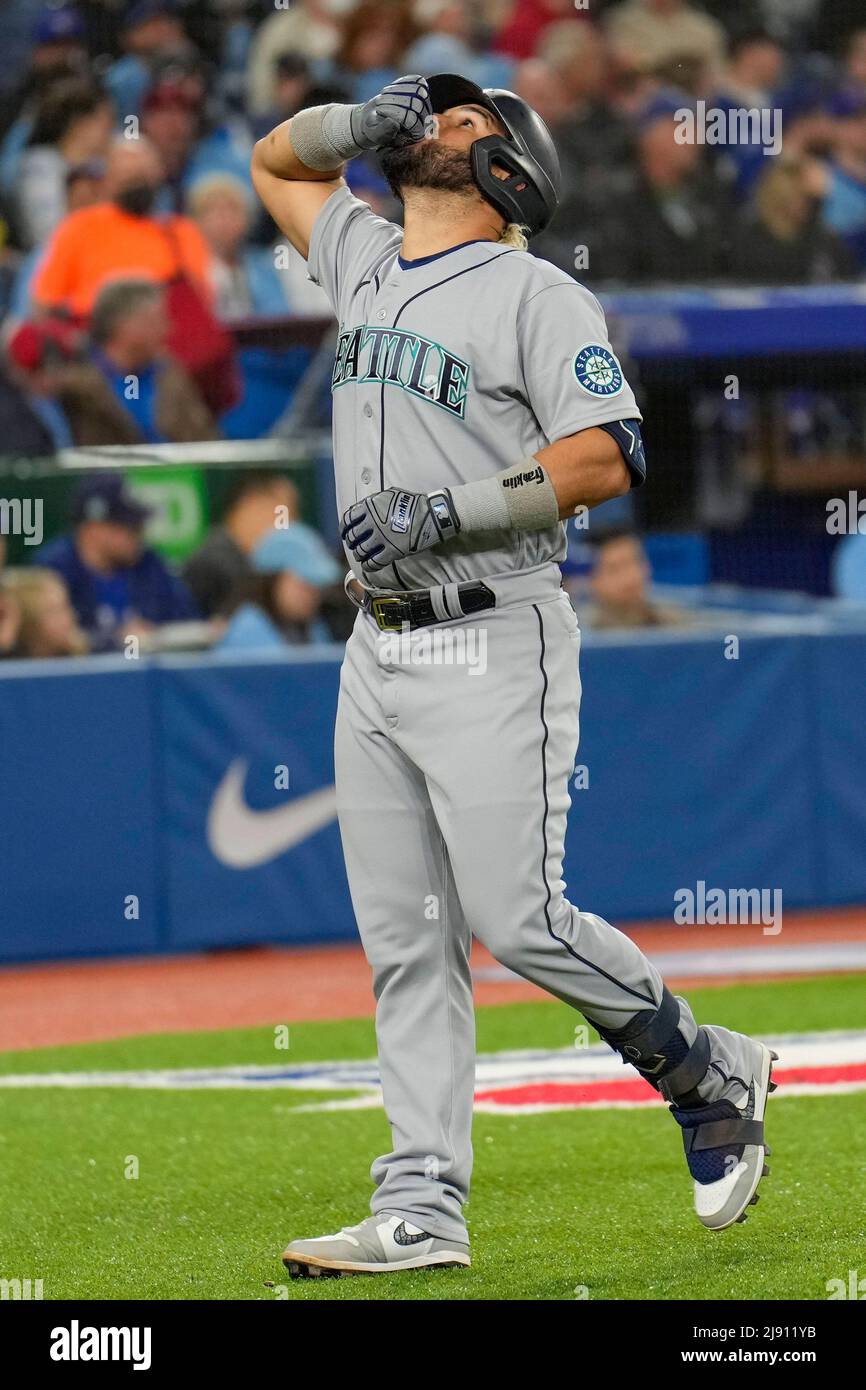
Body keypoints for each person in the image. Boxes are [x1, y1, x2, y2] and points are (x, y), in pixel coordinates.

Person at [251, 71, 777, 1277]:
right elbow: (275, 163)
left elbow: (606, 455)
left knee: (515, 919)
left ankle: (705, 1066)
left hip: (494, 629)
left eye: (463, 117)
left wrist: (449, 510)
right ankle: (420, 1206)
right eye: (424, 112)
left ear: (509, 170)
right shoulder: (365, 256)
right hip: (375, 642)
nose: (431, 121)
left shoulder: (535, 290)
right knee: (405, 943)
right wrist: (350, 126)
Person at [30, 135, 213, 320]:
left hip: (165, 337)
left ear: (158, 174)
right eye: (127, 177)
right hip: (94, 338)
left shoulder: (181, 232)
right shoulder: (79, 227)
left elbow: (200, 303)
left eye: (141, 175)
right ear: (107, 181)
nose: (135, 184)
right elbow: (45, 303)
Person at [45, 278, 218, 444]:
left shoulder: (168, 376)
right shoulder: (74, 387)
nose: (168, 329)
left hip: (173, 473)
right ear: (124, 326)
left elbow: (205, 441)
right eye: (155, 321)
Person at [35, 472, 197, 647]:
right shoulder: (53, 570)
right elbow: (50, 643)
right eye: (129, 527)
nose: (139, 534)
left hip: (150, 670)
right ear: (93, 529)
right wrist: (115, 640)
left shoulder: (148, 563)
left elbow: (187, 619)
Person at [183, 471, 301, 618]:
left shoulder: (253, 561)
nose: (290, 524)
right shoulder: (210, 564)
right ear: (250, 506)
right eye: (282, 513)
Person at [14, 77, 114, 249]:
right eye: (105, 121)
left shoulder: (103, 164)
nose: (111, 129)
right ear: (80, 123)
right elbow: (46, 235)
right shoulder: (40, 165)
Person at [217, 523, 340, 650]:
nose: (313, 594)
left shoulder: (314, 628)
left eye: (316, 586)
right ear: (273, 580)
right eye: (304, 585)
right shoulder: (248, 629)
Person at [577, 528, 693, 629]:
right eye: (615, 569)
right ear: (591, 579)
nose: (630, 578)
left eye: (636, 562)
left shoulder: (676, 624)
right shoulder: (575, 632)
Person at [0, 566, 88, 657]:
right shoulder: (10, 659)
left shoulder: (81, 658)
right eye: (54, 611)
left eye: (66, 606)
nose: (70, 616)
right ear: (30, 622)